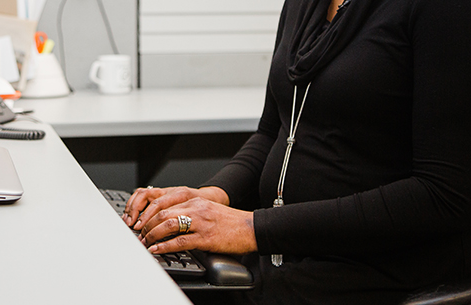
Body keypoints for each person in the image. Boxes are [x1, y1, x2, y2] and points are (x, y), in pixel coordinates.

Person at [122, 0, 471, 303]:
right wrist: (212, 197)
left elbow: (444, 194)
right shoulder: (306, 5)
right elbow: (273, 132)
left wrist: (250, 228)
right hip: (282, 251)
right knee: (139, 275)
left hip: (369, 270)